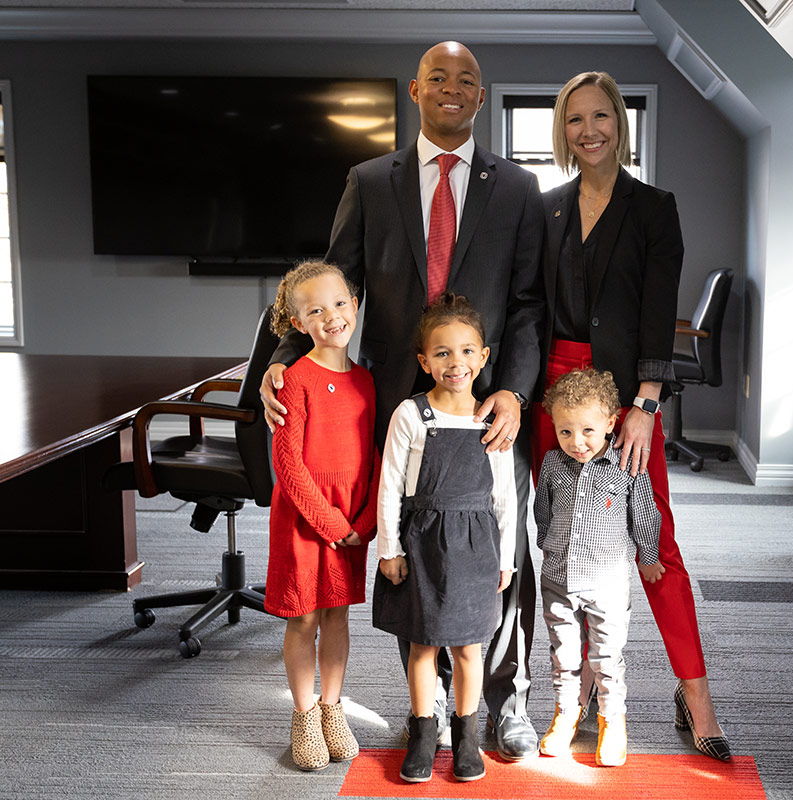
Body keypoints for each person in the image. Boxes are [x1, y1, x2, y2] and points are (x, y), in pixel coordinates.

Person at [260, 41, 545, 760]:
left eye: (468, 81)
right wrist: (282, 360)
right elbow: (330, 283)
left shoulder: (516, 188)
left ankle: (500, 704)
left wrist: (512, 389)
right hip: (395, 409)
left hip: (485, 410)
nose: (453, 89)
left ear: (483, 97)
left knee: (494, 548)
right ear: (415, 89)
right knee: (407, 551)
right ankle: (430, 712)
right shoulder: (369, 180)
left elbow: (529, 304)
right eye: (439, 78)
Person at [532, 71, 731, 761]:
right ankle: (584, 688)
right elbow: (534, 307)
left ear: (621, 122)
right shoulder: (547, 207)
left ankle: (695, 693)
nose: (589, 130)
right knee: (566, 545)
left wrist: (646, 405)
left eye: (601, 117)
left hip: (625, 401)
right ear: (563, 130)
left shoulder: (654, 207)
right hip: (553, 403)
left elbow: (655, 314)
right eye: (575, 119)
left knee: (655, 548)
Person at [373, 294, 517, 783]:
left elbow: (504, 498)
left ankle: (467, 736)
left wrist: (506, 559)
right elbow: (390, 485)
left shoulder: (491, 420)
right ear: (423, 361)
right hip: (423, 546)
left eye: (466, 351)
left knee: (470, 648)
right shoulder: (411, 416)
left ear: (483, 356)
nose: (455, 363)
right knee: (421, 644)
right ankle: (422, 732)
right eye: (442, 353)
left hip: (477, 548)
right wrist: (388, 549)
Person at [264, 261, 380, 772]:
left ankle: (334, 707)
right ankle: (304, 714)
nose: (331, 316)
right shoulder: (294, 379)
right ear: (298, 324)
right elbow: (287, 466)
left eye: (338, 303)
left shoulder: (368, 381)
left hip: (352, 523)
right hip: (306, 521)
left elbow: (376, 456)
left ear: (354, 304)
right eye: (315, 310)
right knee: (304, 616)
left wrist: (367, 521)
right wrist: (332, 524)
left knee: (337, 613)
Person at [534, 368, 664, 767]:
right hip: (558, 580)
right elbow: (543, 512)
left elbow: (644, 514)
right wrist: (547, 546)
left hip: (607, 583)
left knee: (607, 657)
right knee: (564, 655)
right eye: (565, 432)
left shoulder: (625, 466)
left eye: (588, 431)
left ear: (610, 424)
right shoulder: (553, 464)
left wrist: (650, 554)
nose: (577, 443)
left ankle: (612, 720)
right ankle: (565, 714)